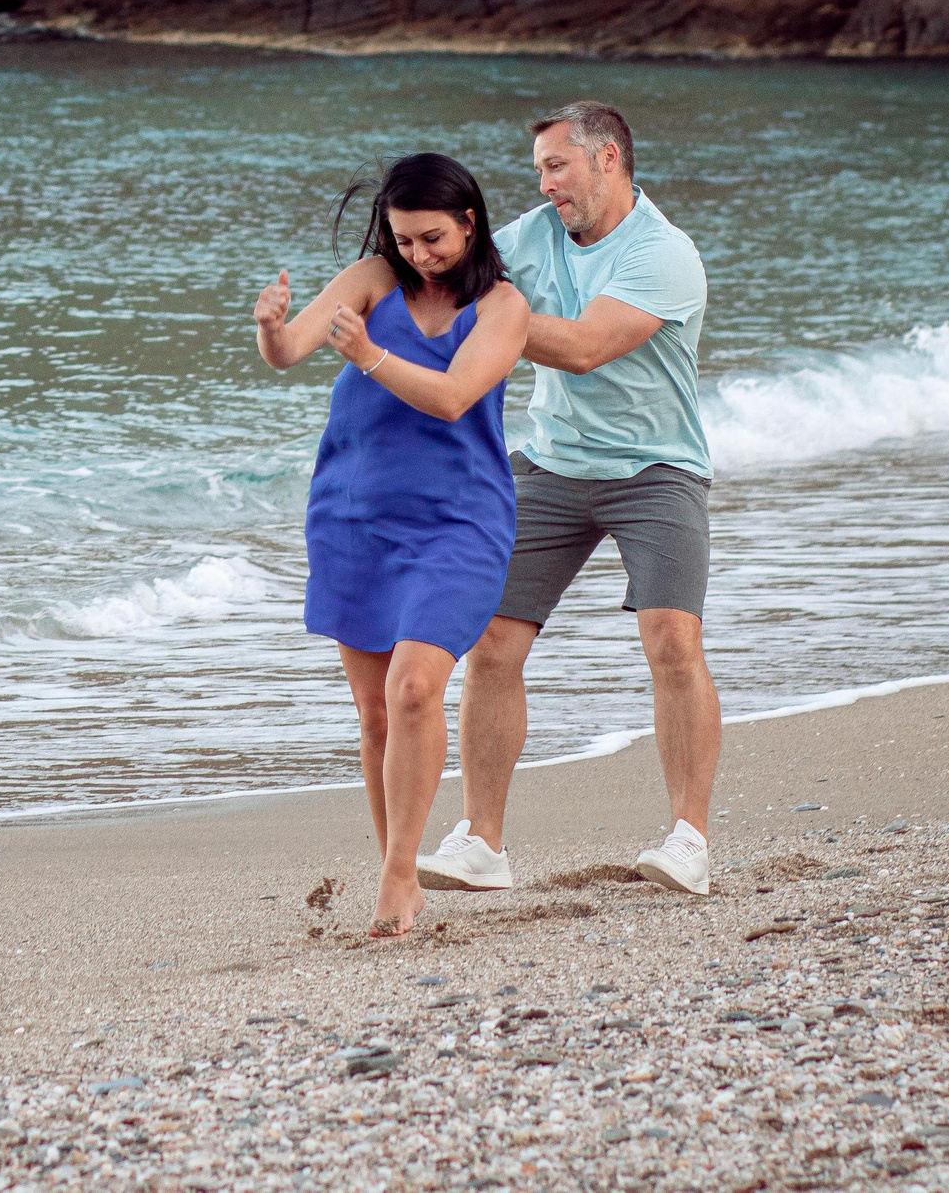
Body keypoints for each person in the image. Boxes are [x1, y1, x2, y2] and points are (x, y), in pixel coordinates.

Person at [413, 101, 722, 897]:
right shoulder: (534, 235)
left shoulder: (665, 254)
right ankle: (482, 841)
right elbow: (449, 272)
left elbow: (584, 347)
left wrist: (493, 312)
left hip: (657, 467)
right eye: (540, 170)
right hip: (552, 463)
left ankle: (689, 838)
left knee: (671, 641)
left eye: (559, 166)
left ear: (609, 158)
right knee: (493, 644)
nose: (547, 184)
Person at [253, 153, 530, 938]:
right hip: (355, 517)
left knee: (416, 689)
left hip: (459, 522)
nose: (418, 254)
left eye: (433, 238)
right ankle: (395, 871)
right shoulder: (372, 278)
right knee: (376, 715)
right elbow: (292, 349)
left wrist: (371, 356)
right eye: (404, 239)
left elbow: (450, 398)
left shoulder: (504, 307)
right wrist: (272, 328)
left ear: (469, 222)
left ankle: (400, 871)